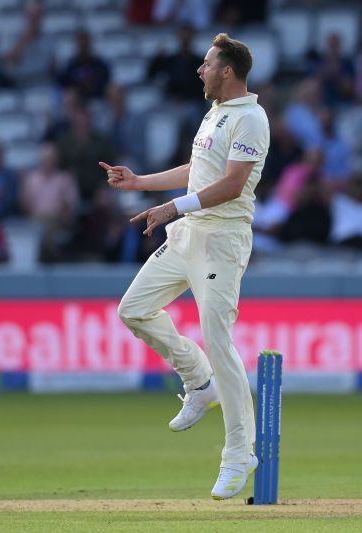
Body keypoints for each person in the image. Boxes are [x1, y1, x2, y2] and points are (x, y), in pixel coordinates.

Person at [99, 33, 269, 500]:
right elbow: (198, 171)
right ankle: (199, 381)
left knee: (219, 339)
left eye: (207, 64)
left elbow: (232, 185)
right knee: (133, 309)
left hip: (221, 242)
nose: (199, 70)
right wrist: (138, 184)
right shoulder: (215, 113)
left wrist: (173, 208)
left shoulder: (252, 119)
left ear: (227, 71)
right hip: (186, 237)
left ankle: (239, 453)